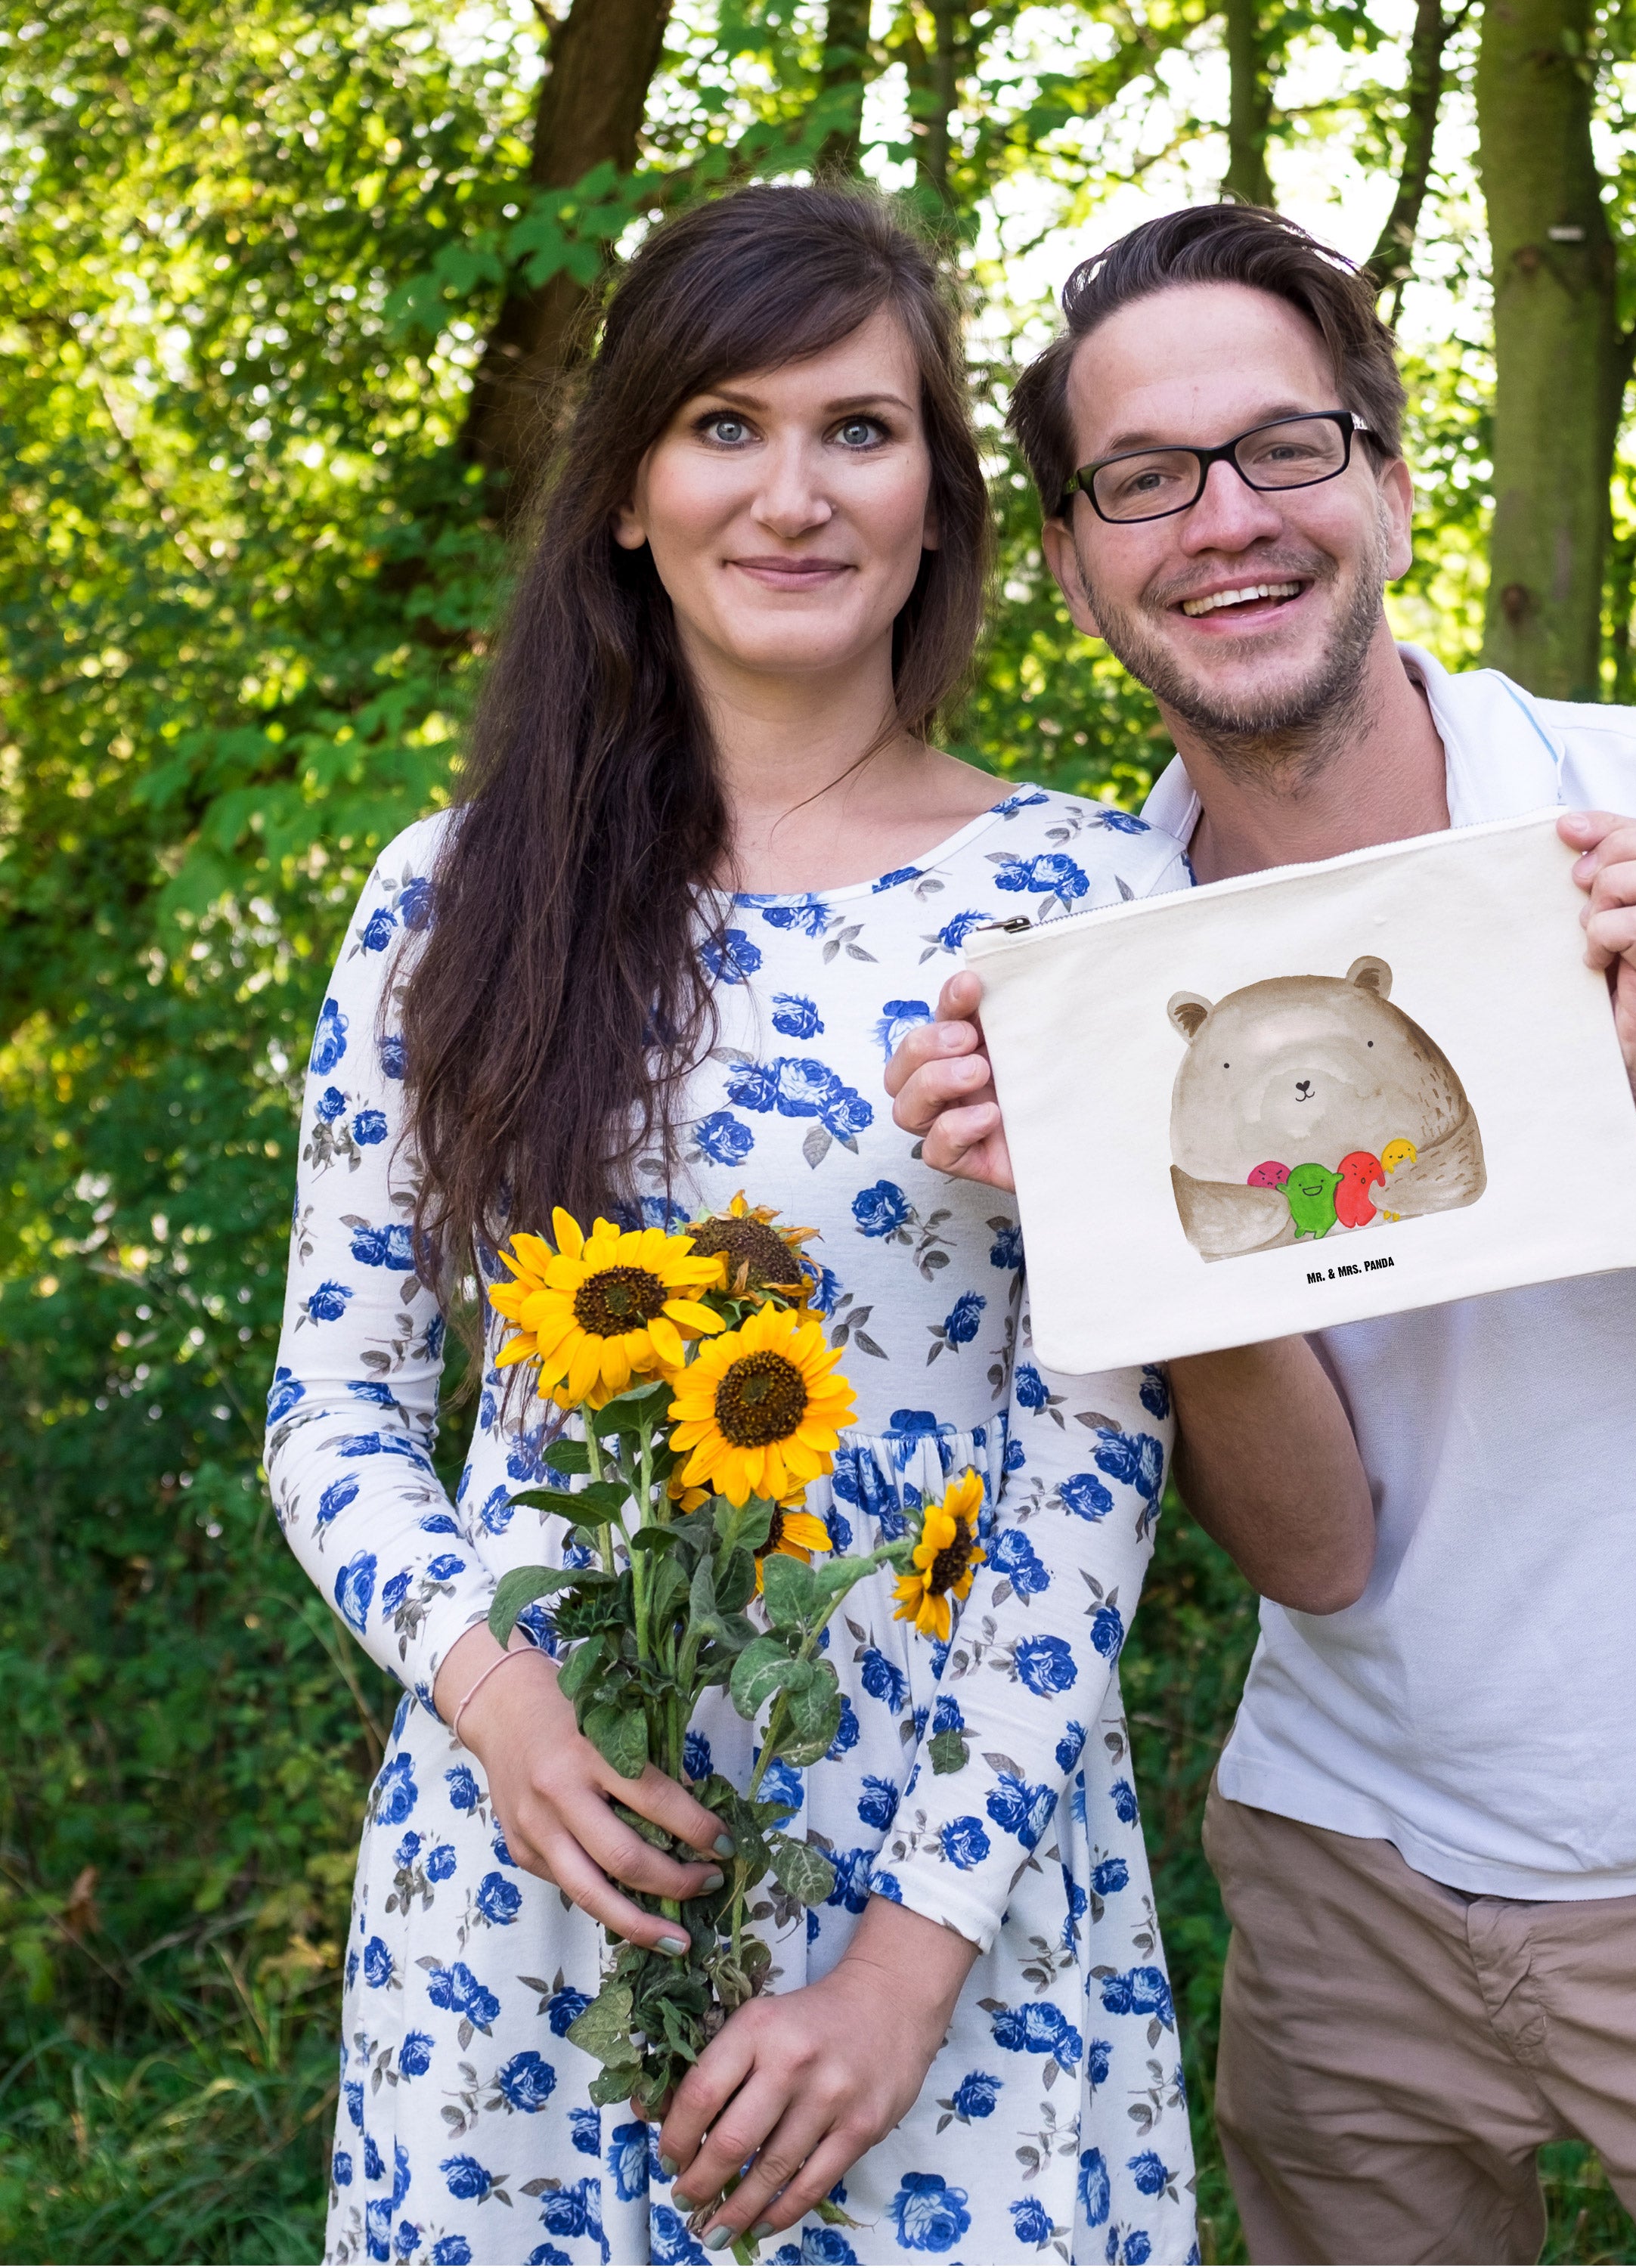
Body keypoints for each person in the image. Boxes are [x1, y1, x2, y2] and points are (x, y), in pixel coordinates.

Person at [885, 203, 1636, 2266]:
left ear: (1392, 483)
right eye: (1145, 479)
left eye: (1284, 447)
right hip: (1343, 1888)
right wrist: (1113, 1221)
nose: (1224, 519)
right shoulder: (1094, 964)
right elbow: (1320, 1557)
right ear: (1070, 562)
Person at [268, 184, 1198, 2267]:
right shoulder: (451, 900)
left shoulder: (1085, 906)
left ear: (940, 502)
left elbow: (1101, 1451)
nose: (794, 495)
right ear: (626, 494)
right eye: (723, 427)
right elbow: (334, 1409)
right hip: (531, 1869)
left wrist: (908, 1962)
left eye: (861, 430)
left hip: (940, 1875)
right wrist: (497, 1700)